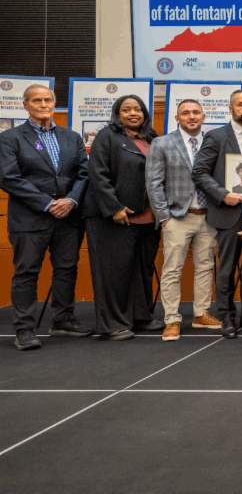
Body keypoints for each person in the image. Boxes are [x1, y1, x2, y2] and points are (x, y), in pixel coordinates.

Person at [0, 85, 90, 350]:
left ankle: (63, 319)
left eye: (48, 100)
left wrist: (71, 200)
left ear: (54, 103)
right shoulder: (10, 138)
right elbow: (8, 178)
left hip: (68, 216)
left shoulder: (72, 137)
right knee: (27, 272)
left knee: (67, 268)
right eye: (37, 100)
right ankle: (24, 329)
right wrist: (48, 203)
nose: (43, 104)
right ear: (25, 105)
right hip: (29, 218)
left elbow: (84, 174)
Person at [192, 89, 242, 338]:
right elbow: (199, 172)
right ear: (231, 109)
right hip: (228, 212)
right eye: (241, 105)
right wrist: (222, 194)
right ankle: (227, 316)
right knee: (226, 269)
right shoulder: (216, 136)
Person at [84, 95, 163, 341]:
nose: (133, 113)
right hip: (115, 217)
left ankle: (141, 316)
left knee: (142, 270)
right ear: (118, 114)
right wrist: (114, 207)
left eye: (137, 109)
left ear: (144, 113)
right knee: (113, 273)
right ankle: (112, 324)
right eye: (126, 109)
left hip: (148, 218)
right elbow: (97, 174)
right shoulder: (106, 136)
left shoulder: (153, 138)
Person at [146, 99, 223, 341]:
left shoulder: (213, 142)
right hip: (177, 217)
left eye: (196, 112)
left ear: (203, 117)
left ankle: (201, 314)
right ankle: (172, 319)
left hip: (208, 217)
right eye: (186, 113)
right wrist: (164, 218)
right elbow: (153, 183)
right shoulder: (162, 143)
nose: (191, 116)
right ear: (177, 118)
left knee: (205, 267)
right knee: (172, 270)